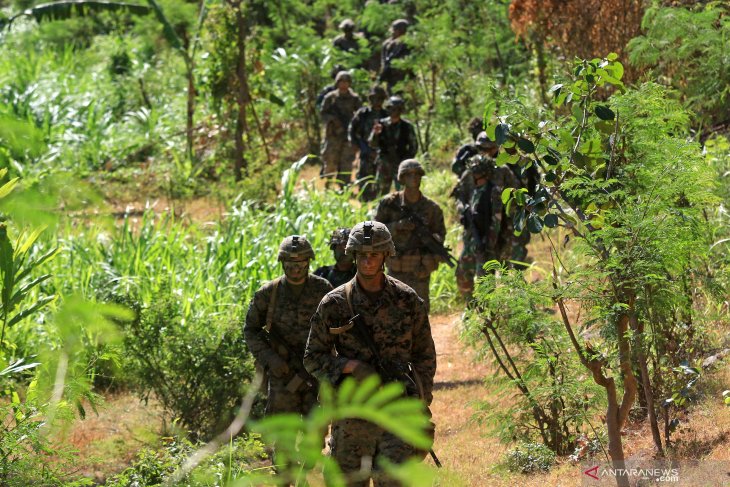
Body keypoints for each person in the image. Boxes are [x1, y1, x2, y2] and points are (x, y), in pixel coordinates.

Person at [304, 221, 437, 486]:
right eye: (362, 255)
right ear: (353, 255)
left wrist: (420, 402)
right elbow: (312, 357)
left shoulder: (406, 299)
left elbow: (424, 356)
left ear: (386, 255)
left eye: (374, 255)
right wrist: (349, 366)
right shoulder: (334, 303)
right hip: (352, 415)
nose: (367, 261)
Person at [244, 235, 333, 473]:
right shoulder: (268, 294)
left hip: (315, 376)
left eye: (301, 263)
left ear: (309, 262)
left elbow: (338, 328)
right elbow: (251, 330)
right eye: (291, 264)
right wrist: (271, 360)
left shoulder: (322, 290)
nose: (296, 269)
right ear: (282, 263)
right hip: (282, 377)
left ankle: (305, 471)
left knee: (315, 437)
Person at [373, 159, 447, 312]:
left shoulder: (432, 208)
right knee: (393, 312)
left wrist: (432, 240)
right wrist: (398, 226)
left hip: (420, 269)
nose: (414, 178)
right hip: (396, 267)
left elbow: (440, 236)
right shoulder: (389, 203)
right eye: (409, 174)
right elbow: (374, 231)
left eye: (417, 174)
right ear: (402, 178)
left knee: (419, 313)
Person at [453, 155, 518, 300]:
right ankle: (471, 305)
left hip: (486, 243)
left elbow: (496, 221)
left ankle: (488, 315)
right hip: (473, 241)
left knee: (485, 282)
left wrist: (488, 246)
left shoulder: (493, 192)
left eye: (478, 173)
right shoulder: (476, 191)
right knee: (462, 272)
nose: (475, 176)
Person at [369, 95, 418, 196]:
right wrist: (375, 134)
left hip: (400, 164)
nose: (394, 111)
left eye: (397, 109)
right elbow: (372, 144)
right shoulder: (381, 124)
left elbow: (413, 146)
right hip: (384, 164)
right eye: (392, 109)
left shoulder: (407, 126)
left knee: (403, 194)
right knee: (380, 193)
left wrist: (406, 161)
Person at [349, 86, 388, 201]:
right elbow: (352, 129)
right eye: (374, 98)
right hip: (366, 150)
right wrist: (355, 144)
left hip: (381, 153)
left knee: (381, 182)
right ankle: (364, 204)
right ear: (370, 99)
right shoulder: (363, 113)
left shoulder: (386, 114)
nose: (377, 101)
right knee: (364, 179)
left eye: (380, 99)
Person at [379, 19, 411, 94]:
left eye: (395, 31)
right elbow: (384, 62)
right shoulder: (387, 44)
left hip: (406, 77)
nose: (393, 33)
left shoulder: (409, 43)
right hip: (391, 77)